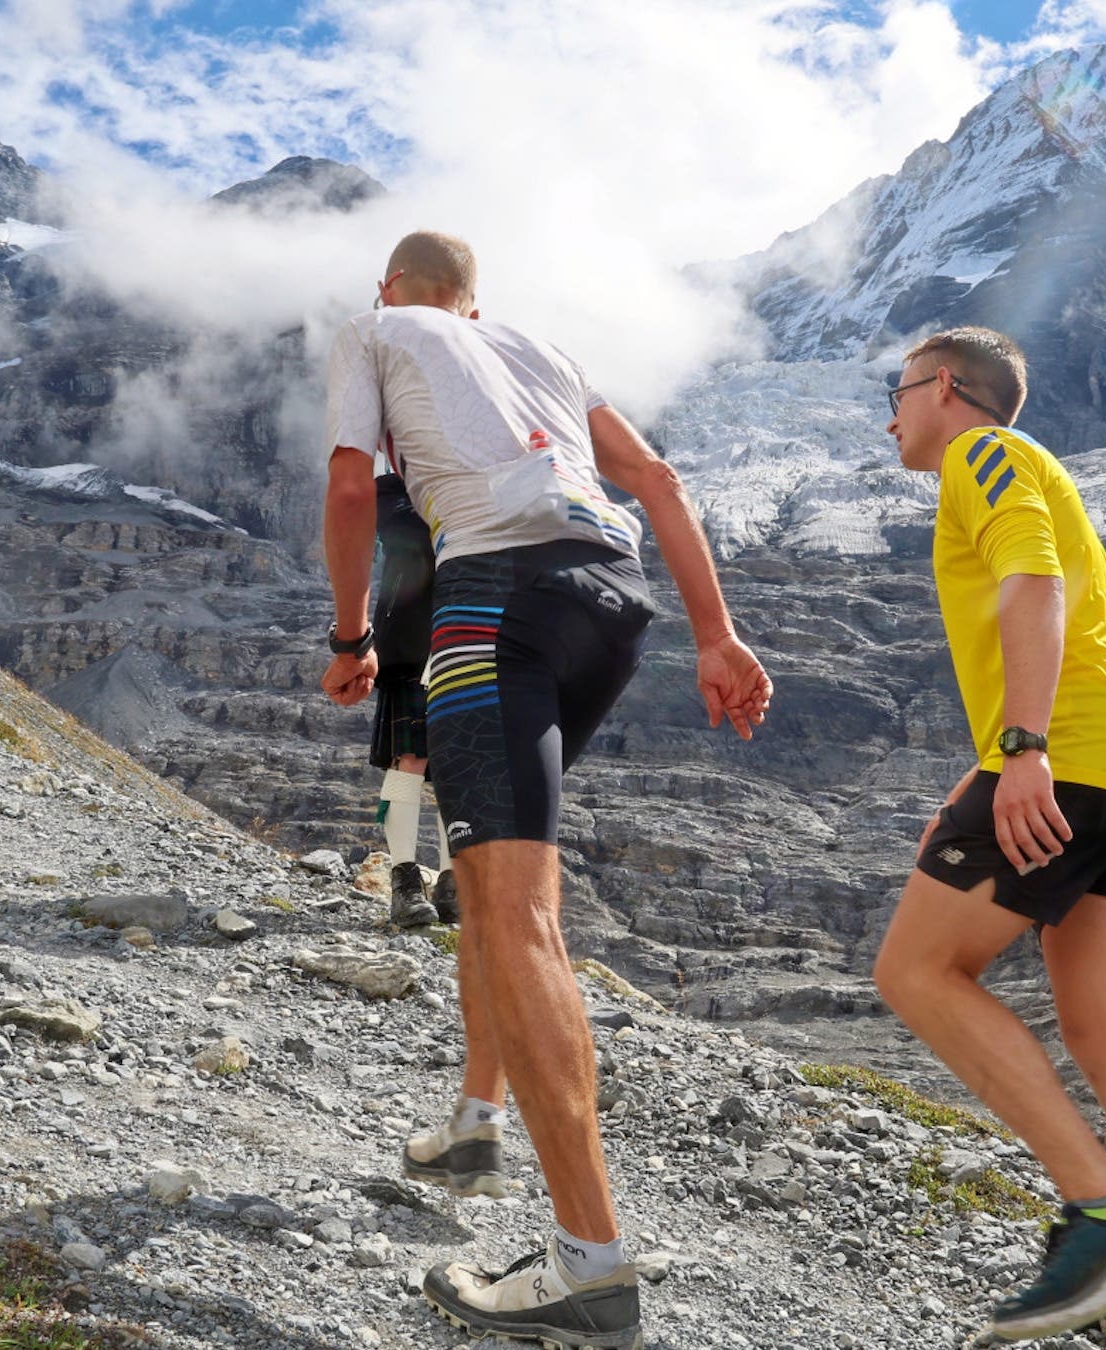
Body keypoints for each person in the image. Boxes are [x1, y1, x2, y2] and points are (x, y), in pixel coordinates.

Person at [321, 231, 772, 1350]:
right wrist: (717, 636)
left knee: (515, 909)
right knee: (498, 877)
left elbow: (346, 486)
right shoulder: (548, 353)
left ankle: (589, 1264)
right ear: (474, 305)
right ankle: (477, 1118)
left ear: (396, 290)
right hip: (610, 601)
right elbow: (658, 479)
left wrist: (352, 635)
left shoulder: (373, 331)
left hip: (495, 596)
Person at [870, 327, 1106, 1350]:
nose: (891, 414)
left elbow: (1035, 590)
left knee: (917, 972)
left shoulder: (981, 452)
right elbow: (1073, 624)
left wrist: (1025, 753)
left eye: (900, 391)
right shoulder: (1028, 467)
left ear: (948, 387)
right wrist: (986, 765)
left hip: (1071, 755)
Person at [370, 464, 454, 928]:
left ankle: (452, 881)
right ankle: (404, 881)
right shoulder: (392, 492)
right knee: (409, 760)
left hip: (469, 633)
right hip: (412, 641)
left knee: (457, 764)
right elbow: (409, 537)